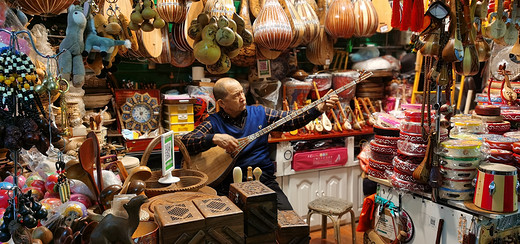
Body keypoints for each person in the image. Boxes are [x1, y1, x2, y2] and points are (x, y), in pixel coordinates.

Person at [181, 77, 339, 210]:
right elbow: (186, 141)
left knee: (291, 227)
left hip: (263, 181)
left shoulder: (260, 112)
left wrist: (318, 108)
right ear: (222, 103)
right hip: (228, 185)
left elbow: (290, 119)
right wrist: (213, 138)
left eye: (242, 92)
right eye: (236, 96)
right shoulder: (214, 123)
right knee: (234, 231)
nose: (242, 97)